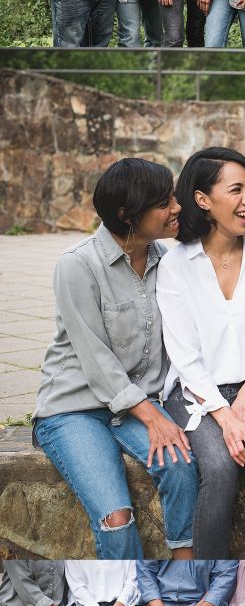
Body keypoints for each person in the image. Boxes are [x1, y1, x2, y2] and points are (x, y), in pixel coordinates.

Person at [33, 158, 198, 559]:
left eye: (172, 196)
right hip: (75, 409)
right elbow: (95, 359)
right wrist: (154, 416)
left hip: (134, 407)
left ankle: (184, 565)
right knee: (116, 517)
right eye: (163, 202)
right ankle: (128, 594)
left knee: (180, 466)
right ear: (127, 215)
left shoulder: (169, 260)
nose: (175, 208)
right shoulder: (78, 264)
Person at [157, 147, 245, 559]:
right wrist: (224, 416)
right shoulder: (176, 264)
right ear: (203, 199)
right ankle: (204, 580)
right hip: (197, 393)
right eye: (236, 189)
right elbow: (184, 354)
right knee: (217, 467)